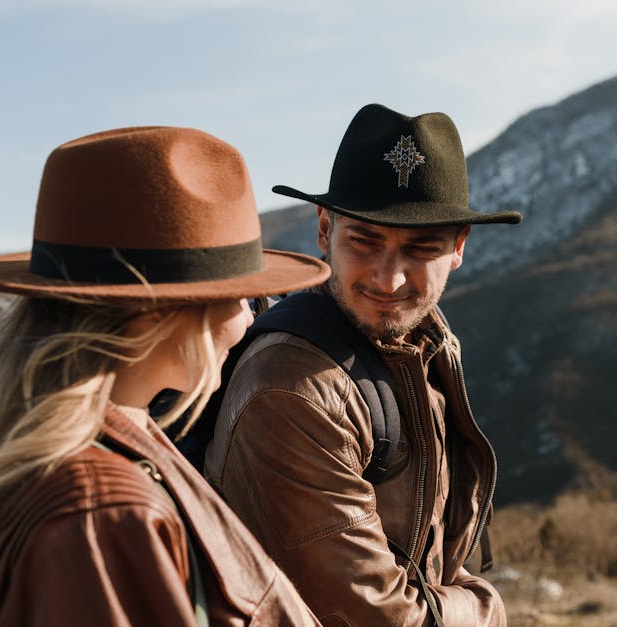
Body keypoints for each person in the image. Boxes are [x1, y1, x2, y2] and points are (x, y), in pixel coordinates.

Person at [0, 126, 329, 626]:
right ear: (160, 314)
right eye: (244, 297)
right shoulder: (97, 512)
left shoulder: (81, 455)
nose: (250, 319)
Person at [204, 104, 522, 626]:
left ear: (458, 247)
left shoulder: (423, 343)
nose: (389, 279)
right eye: (365, 242)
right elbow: (375, 617)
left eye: (420, 249)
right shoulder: (292, 388)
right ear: (325, 231)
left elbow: (435, 555)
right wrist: (485, 608)